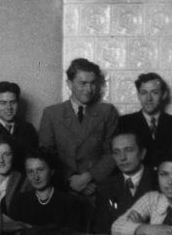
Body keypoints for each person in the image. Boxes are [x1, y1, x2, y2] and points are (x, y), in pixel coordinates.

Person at [38, 58, 118, 196]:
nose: (89, 89)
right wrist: (72, 180)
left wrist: (88, 177)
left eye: (93, 83)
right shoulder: (51, 113)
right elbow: (47, 155)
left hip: (97, 187)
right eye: (83, 83)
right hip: (63, 189)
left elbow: (112, 153)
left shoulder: (107, 112)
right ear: (69, 84)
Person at [92, 130, 157, 234]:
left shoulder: (159, 182)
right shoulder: (106, 186)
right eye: (116, 152)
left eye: (129, 150)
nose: (122, 157)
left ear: (142, 153)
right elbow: (102, 230)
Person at [119, 72, 172, 170]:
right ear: (138, 95)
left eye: (154, 92)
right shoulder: (125, 122)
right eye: (144, 93)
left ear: (164, 94)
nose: (148, 98)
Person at [8, 147, 86, 231]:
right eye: (30, 171)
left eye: (40, 170)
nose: (35, 177)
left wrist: (29, 228)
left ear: (51, 171)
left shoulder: (69, 202)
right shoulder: (19, 201)